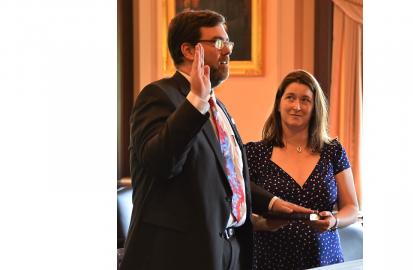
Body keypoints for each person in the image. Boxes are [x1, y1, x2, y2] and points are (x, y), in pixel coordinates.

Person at [120, 10, 311, 270]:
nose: (228, 51)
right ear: (189, 50)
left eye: (228, 43)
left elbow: (226, 174)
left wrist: (271, 204)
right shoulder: (159, 96)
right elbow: (161, 163)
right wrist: (196, 100)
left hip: (229, 247)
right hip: (179, 256)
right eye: (219, 43)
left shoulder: (216, 106)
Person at [246, 70, 359, 269]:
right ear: (279, 104)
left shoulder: (333, 151)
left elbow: (351, 208)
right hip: (270, 259)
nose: (297, 106)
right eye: (290, 97)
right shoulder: (254, 153)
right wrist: (262, 223)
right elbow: (241, 211)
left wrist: (333, 221)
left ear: (315, 107)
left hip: (325, 259)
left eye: (305, 100)